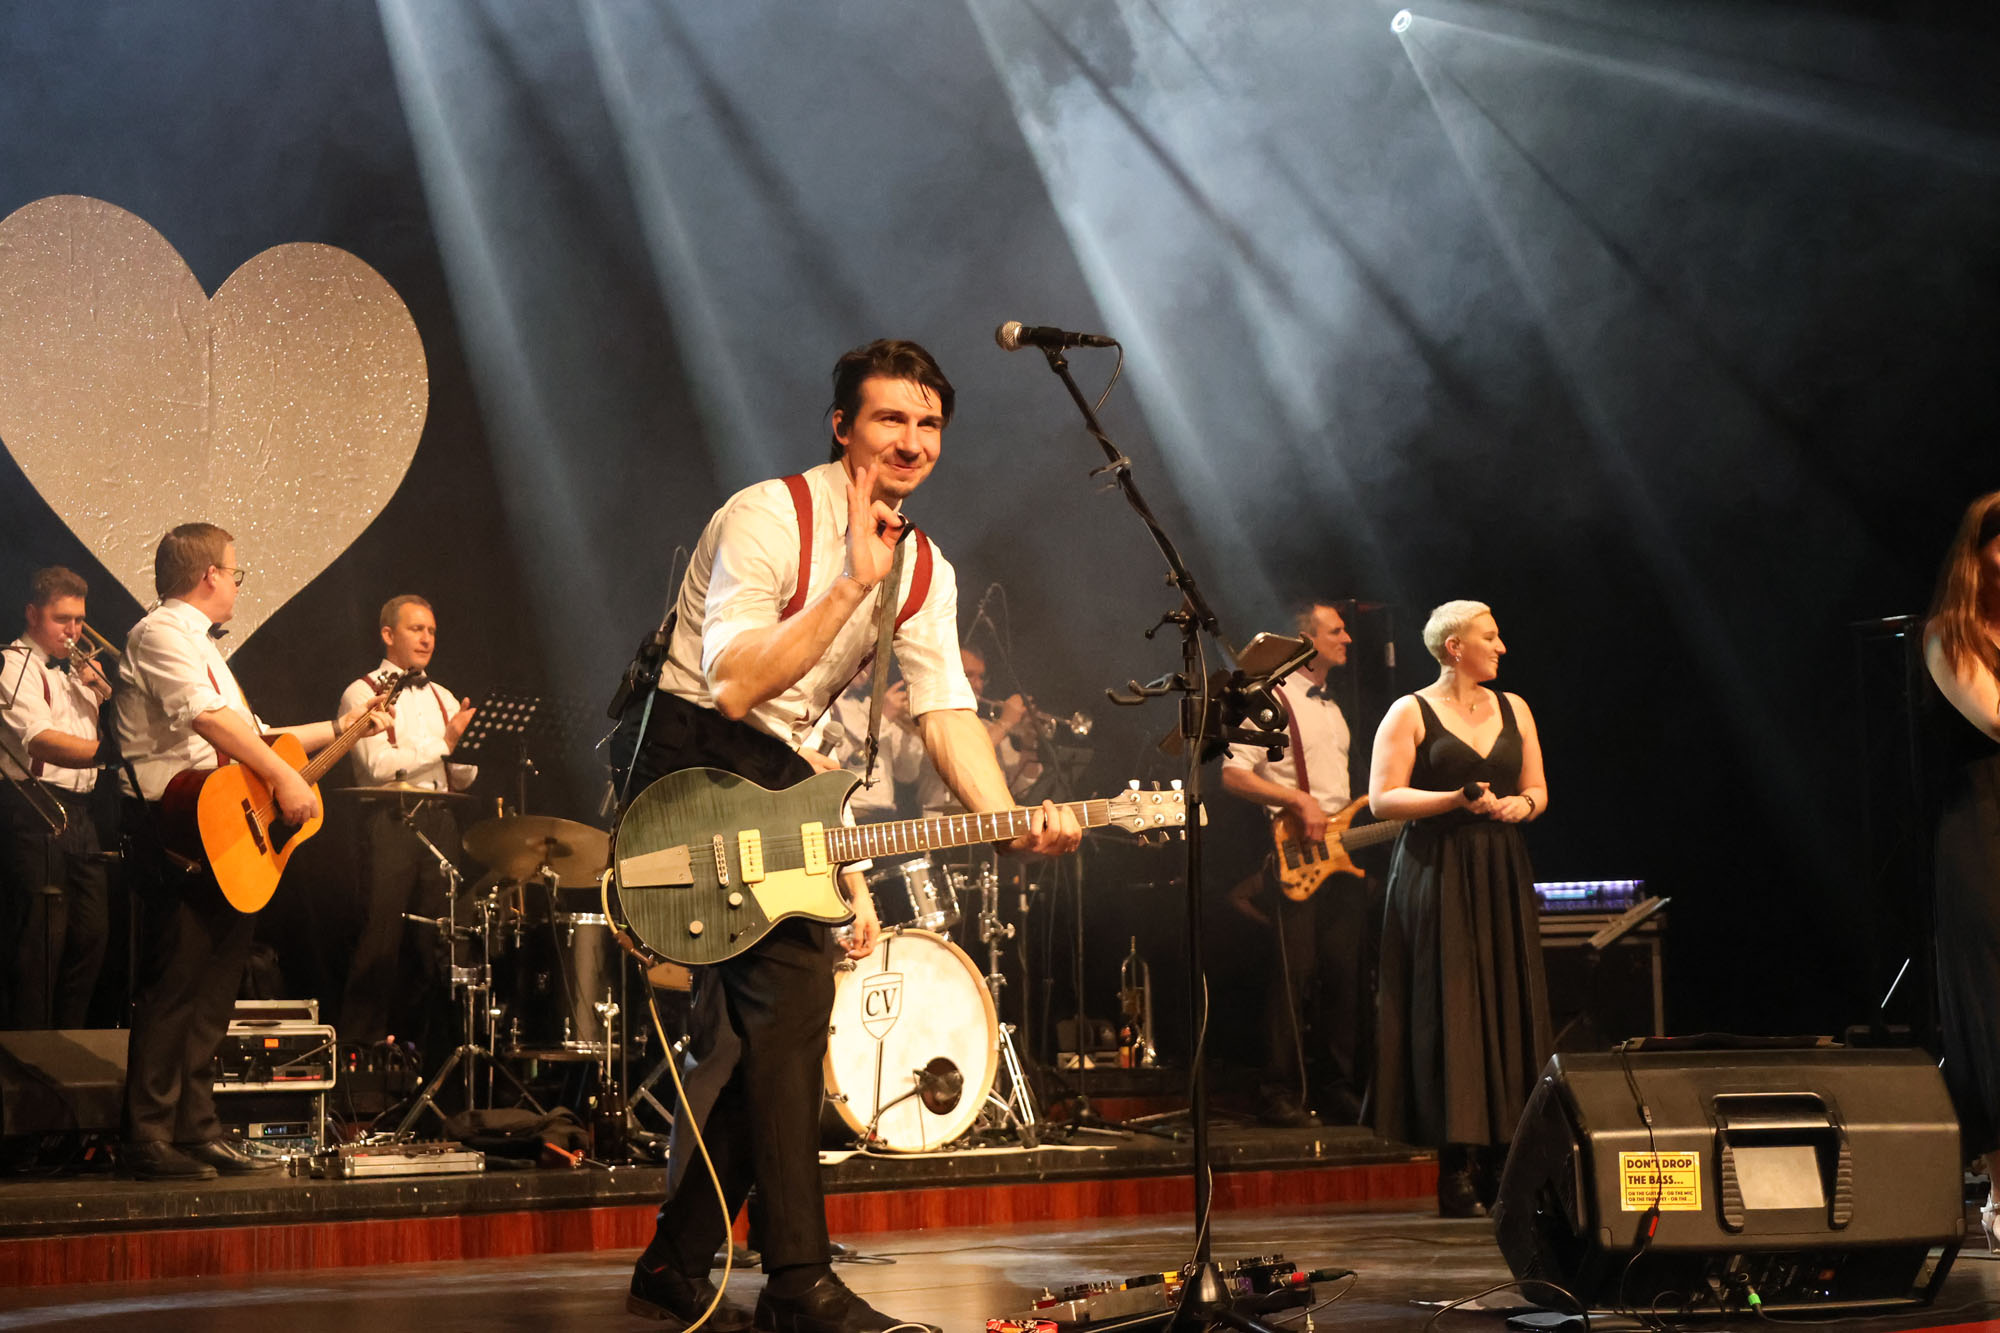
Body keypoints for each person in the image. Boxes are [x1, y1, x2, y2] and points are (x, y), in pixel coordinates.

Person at [609, 339, 1080, 1333]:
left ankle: (679, 1261)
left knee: (784, 1025)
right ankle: (794, 1282)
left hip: (783, 775)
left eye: (928, 424)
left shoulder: (924, 568)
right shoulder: (765, 516)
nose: (911, 441)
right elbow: (735, 684)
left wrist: (1005, 817)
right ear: (841, 426)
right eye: (889, 419)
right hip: (688, 766)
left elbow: (946, 709)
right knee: (787, 1014)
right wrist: (847, 584)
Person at [117, 523, 385, 1181]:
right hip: (177, 824)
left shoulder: (205, 647)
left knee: (214, 987)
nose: (237, 584)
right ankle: (148, 1133)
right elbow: (207, 721)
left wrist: (345, 728)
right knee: (176, 982)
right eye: (235, 572)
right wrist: (285, 777)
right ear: (210, 574)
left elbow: (256, 734)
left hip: (221, 826)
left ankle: (195, 1126)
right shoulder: (159, 633)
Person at [1368, 599, 1549, 1218]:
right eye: (1489, 637)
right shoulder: (1410, 710)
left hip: (1499, 867)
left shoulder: (1515, 707)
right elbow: (1382, 800)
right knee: (1450, 1005)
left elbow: (1537, 789)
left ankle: (1503, 1159)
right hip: (1437, 869)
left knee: (1503, 999)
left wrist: (1522, 806)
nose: (1501, 647)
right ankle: (1456, 1163)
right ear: (1455, 647)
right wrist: (1453, 799)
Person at [1220, 601, 1375, 1128]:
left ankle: (1335, 1087)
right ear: (1307, 643)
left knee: (1343, 976)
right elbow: (1233, 774)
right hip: (1296, 857)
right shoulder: (1271, 701)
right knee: (1293, 976)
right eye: (1336, 630)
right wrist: (1296, 801)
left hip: (1340, 855)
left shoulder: (1332, 706)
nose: (1347, 638)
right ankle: (1277, 1091)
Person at [337, 594, 477, 1050]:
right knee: (379, 938)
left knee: (439, 941)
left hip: (440, 821)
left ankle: (431, 1054)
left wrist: (466, 752)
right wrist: (445, 743)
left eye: (432, 631)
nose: (427, 639)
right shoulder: (361, 693)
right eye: (417, 629)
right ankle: (360, 1055)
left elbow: (458, 774)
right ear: (388, 634)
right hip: (391, 820)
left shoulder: (444, 696)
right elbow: (378, 767)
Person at [1922, 490, 2000, 1242]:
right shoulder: (1950, 635)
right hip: (1984, 828)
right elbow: (1995, 717)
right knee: (1992, 1003)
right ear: (1981, 554)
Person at [0, 567, 111, 1030]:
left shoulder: (76, 673)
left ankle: (68, 1040)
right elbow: (40, 740)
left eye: (80, 620)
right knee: (43, 938)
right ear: (32, 614)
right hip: (34, 806)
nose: (74, 631)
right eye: (62, 619)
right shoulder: (11, 663)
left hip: (80, 812)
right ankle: (30, 1047)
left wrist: (102, 692)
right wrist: (112, 753)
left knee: (92, 935)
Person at [912, 646, 1041, 814]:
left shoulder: (988, 728)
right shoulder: (932, 722)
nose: (978, 684)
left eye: (981, 677)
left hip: (988, 822)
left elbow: (1024, 784)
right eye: (969, 675)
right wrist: (1005, 722)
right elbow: (965, 756)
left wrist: (1028, 744)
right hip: (944, 823)